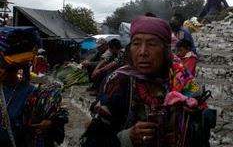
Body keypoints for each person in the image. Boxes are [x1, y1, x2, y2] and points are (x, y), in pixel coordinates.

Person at [81, 16, 215, 147]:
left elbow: (203, 127)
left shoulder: (182, 78)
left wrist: (185, 135)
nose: (143, 52)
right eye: (136, 43)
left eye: (152, 44)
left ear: (166, 50)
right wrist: (127, 137)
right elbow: (93, 140)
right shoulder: (117, 82)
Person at [0, 52, 68, 147]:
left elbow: (59, 114)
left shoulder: (31, 92)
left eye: (2, 68)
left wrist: (49, 123)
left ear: (14, 69)